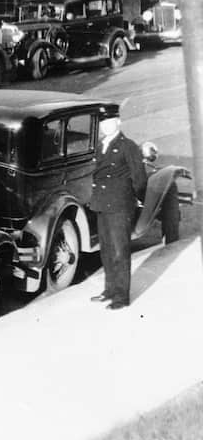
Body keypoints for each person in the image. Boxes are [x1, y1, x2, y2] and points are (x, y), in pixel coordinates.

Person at [89, 110, 147, 310]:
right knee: (106, 250)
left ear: (119, 122)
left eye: (110, 122)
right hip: (102, 204)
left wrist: (136, 200)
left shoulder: (127, 146)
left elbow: (139, 178)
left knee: (120, 251)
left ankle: (121, 297)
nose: (105, 127)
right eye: (103, 123)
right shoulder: (101, 145)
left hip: (119, 205)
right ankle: (110, 290)